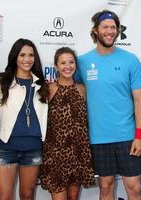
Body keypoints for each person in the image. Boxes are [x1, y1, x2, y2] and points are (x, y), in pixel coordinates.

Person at [75, 10, 141, 200]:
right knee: (105, 188)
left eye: (113, 27)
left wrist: (139, 136)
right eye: (105, 27)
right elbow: (73, 90)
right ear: (96, 30)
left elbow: (140, 99)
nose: (109, 31)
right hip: (98, 138)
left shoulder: (130, 60)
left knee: (135, 188)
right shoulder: (82, 62)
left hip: (127, 137)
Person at [0, 38, 48, 200]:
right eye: (22, 55)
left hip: (33, 147)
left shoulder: (42, 84)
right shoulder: (3, 82)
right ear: (14, 57)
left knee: (27, 195)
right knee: (4, 197)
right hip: (6, 146)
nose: (27, 59)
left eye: (31, 55)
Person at [40, 47, 95, 200]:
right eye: (63, 63)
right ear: (56, 66)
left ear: (76, 65)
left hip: (78, 154)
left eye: (71, 62)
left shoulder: (82, 89)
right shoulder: (49, 89)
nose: (68, 66)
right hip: (55, 155)